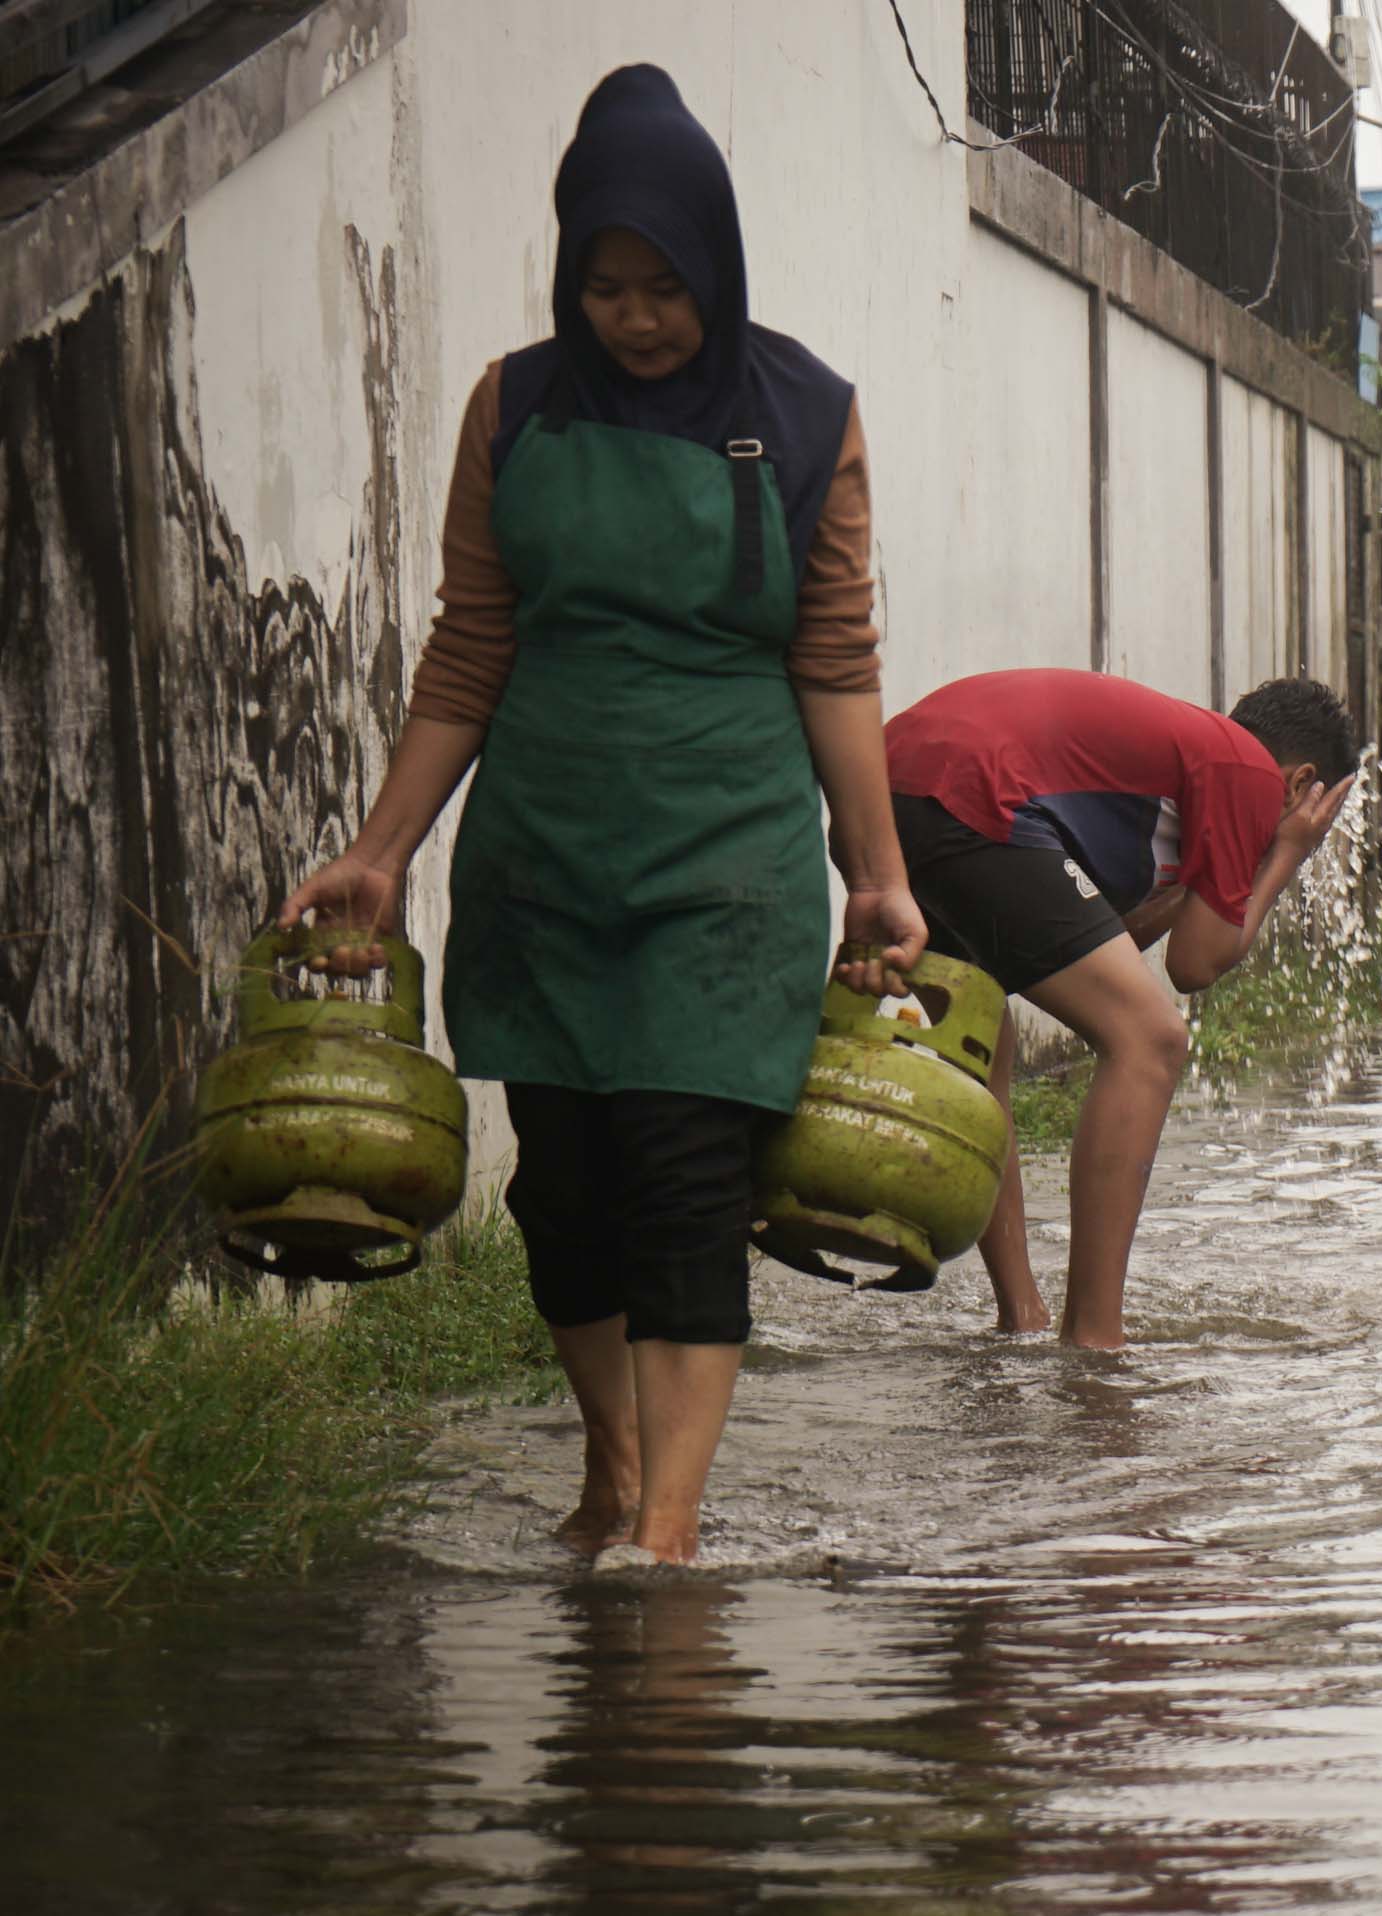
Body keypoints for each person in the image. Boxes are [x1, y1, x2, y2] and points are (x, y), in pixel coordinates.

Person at [279, 67, 925, 1570]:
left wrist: (877, 875)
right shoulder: (516, 406)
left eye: (663, 287)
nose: (633, 317)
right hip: (548, 848)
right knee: (564, 1192)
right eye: (603, 285)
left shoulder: (807, 414)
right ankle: (616, 1468)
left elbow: (834, 660)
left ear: (717, 262)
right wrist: (383, 851)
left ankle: (670, 1538)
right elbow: (470, 646)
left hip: (730, 855)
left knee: (687, 1182)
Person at [883, 670, 1356, 1348]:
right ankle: (1095, 1336)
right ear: (1299, 781)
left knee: (983, 1037)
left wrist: (1195, 884)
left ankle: (1023, 1318)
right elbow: (1195, 966)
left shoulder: (1171, 766)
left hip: (894, 788)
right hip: (969, 793)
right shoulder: (1246, 767)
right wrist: (1285, 852)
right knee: (1151, 1040)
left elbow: (1090, 947)